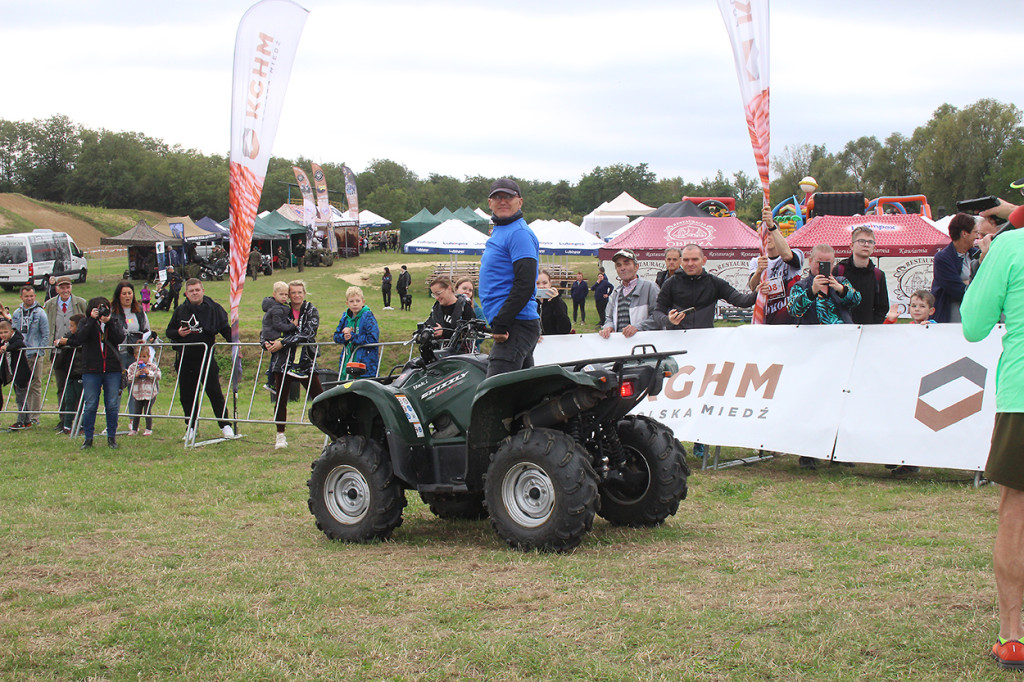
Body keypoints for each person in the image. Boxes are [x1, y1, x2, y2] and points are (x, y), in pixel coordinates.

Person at [961, 196, 1024, 670]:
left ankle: (1013, 636)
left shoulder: (1009, 246)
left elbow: (974, 324)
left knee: (1016, 512)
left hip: (1022, 395)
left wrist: (990, 257)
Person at [478, 179, 540, 377]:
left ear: (520, 202)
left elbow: (526, 282)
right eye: (497, 197)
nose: (502, 201)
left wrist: (502, 321)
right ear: (490, 203)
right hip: (516, 323)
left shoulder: (518, 233)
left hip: (515, 325)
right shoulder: (502, 230)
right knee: (522, 396)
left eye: (508, 197)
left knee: (494, 396)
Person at [165, 279, 234, 441]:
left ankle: (225, 425)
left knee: (214, 392)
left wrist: (235, 346)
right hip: (185, 359)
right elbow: (169, 331)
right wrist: (178, 333)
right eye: (191, 291)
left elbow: (225, 328)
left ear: (202, 290)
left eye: (197, 290)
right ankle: (191, 427)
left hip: (206, 358)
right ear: (186, 294)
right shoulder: (181, 310)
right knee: (187, 395)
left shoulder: (214, 309)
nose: (195, 293)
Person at [263, 280, 322, 450]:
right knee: (281, 398)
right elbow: (266, 327)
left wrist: (283, 342)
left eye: (299, 292)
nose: (296, 295)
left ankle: (335, 433)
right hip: (283, 362)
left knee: (320, 397)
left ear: (304, 293)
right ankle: (280, 435)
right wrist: (265, 343)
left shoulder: (311, 310)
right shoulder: (280, 308)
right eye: (293, 292)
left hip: (305, 361)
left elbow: (308, 333)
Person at [654, 244, 757, 330]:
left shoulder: (714, 283)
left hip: (706, 341)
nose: (690, 264)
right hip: (678, 341)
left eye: (694, 259)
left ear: (704, 260)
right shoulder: (670, 283)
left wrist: (758, 292)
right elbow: (657, 312)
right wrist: (668, 320)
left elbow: (742, 301)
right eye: (686, 260)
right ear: (681, 261)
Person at [70, 297, 124, 449]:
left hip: (112, 369)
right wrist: (92, 320)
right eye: (98, 308)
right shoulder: (85, 322)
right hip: (91, 370)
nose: (102, 311)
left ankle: (111, 438)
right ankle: (88, 438)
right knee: (91, 404)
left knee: (112, 405)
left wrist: (109, 322)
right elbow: (80, 337)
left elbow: (120, 338)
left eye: (105, 308)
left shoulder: (112, 322)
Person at [43, 275, 86, 431]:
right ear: (57, 289)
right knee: (62, 386)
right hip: (59, 352)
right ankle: (63, 419)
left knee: (77, 387)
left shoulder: (80, 303)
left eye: (68, 287)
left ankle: (77, 419)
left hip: (77, 353)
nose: (65, 290)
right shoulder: (50, 304)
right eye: (62, 287)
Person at [747, 208, 804, 325]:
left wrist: (771, 226)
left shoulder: (797, 253)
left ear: (779, 234)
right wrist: (759, 271)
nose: (767, 238)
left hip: (788, 321)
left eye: (769, 233)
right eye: (763, 234)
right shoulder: (756, 261)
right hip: (765, 320)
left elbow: (788, 256)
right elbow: (753, 287)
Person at [788, 244, 861, 325]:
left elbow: (856, 300)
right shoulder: (800, 286)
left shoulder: (841, 281)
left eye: (827, 263)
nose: (822, 266)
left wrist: (841, 290)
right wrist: (811, 292)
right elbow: (793, 311)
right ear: (810, 261)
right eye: (819, 262)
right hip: (813, 334)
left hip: (841, 333)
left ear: (833, 264)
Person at [111, 280, 150, 424]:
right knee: (116, 388)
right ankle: (112, 420)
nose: (127, 296)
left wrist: (144, 340)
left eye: (129, 293)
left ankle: (134, 421)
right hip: (117, 355)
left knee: (134, 388)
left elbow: (147, 330)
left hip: (135, 355)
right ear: (118, 295)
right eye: (124, 294)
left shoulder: (139, 312)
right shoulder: (112, 313)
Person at [599, 249, 660, 339]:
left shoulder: (650, 287)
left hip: (643, 345)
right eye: (618, 265)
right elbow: (609, 317)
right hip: (620, 344)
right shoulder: (616, 292)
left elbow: (658, 316)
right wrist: (608, 326)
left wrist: (638, 327)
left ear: (636, 267)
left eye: (626, 263)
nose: (622, 268)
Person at [931, 213, 981, 323]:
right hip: (951, 312)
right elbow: (956, 290)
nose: (977, 237)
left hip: (975, 310)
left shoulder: (977, 254)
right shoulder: (943, 258)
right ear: (964, 234)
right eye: (975, 232)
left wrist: (967, 282)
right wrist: (977, 285)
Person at [834, 226, 889, 325]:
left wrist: (873, 326)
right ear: (851, 245)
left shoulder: (878, 275)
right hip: (841, 330)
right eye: (862, 241)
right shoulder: (838, 270)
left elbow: (882, 308)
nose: (866, 245)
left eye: (870, 242)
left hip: (868, 331)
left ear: (874, 247)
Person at [10, 285, 48, 428]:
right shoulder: (16, 314)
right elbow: (14, 333)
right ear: (21, 297)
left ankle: (34, 416)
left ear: (35, 296)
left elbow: (45, 334)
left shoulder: (40, 313)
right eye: (26, 296)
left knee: (35, 385)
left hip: (35, 353)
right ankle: (23, 415)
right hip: (21, 354)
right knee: (21, 386)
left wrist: (40, 352)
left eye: (31, 296)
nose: (29, 298)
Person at [334, 286, 380, 380]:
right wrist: (344, 337)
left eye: (357, 301)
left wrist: (352, 337)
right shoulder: (345, 317)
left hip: (365, 362)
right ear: (347, 303)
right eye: (351, 301)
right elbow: (336, 336)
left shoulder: (368, 316)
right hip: (347, 361)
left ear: (363, 302)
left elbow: (373, 339)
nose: (355, 304)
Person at [52, 313, 85, 435]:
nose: (70, 328)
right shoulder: (69, 336)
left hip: (80, 373)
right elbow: (61, 340)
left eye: (72, 326)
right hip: (70, 373)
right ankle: (66, 425)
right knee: (69, 399)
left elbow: (78, 342)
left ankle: (81, 424)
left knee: (80, 401)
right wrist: (60, 342)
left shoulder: (83, 337)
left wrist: (67, 342)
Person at [0, 318, 33, 431]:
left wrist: (7, 348)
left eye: (5, 332)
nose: (3, 335)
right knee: (20, 397)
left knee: (20, 398)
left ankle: (21, 421)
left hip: (21, 373)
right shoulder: (3, 342)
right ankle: (27, 420)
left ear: (11, 331)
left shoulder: (17, 339)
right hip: (12, 373)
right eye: (1, 333)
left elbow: (20, 343)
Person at [125, 333, 161, 436]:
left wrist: (148, 373)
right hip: (138, 393)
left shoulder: (152, 366)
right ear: (135, 356)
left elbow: (158, 376)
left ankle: (148, 429)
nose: (142, 359)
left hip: (150, 393)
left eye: (144, 356)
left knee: (147, 411)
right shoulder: (132, 367)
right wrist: (136, 375)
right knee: (137, 411)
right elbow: (128, 378)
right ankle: (134, 429)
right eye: (140, 356)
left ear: (149, 357)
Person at [425, 276, 476, 345]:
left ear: (449, 289)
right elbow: (429, 324)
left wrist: (444, 332)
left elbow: (471, 332)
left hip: (460, 352)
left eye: (438, 294)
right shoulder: (436, 308)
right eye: (434, 295)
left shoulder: (464, 307)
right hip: (438, 350)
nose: (436, 298)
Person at [536, 270, 572, 335]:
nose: (541, 286)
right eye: (537, 283)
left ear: (550, 284)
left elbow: (565, 329)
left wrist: (556, 302)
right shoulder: (529, 303)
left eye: (545, 283)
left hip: (554, 341)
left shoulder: (558, 303)